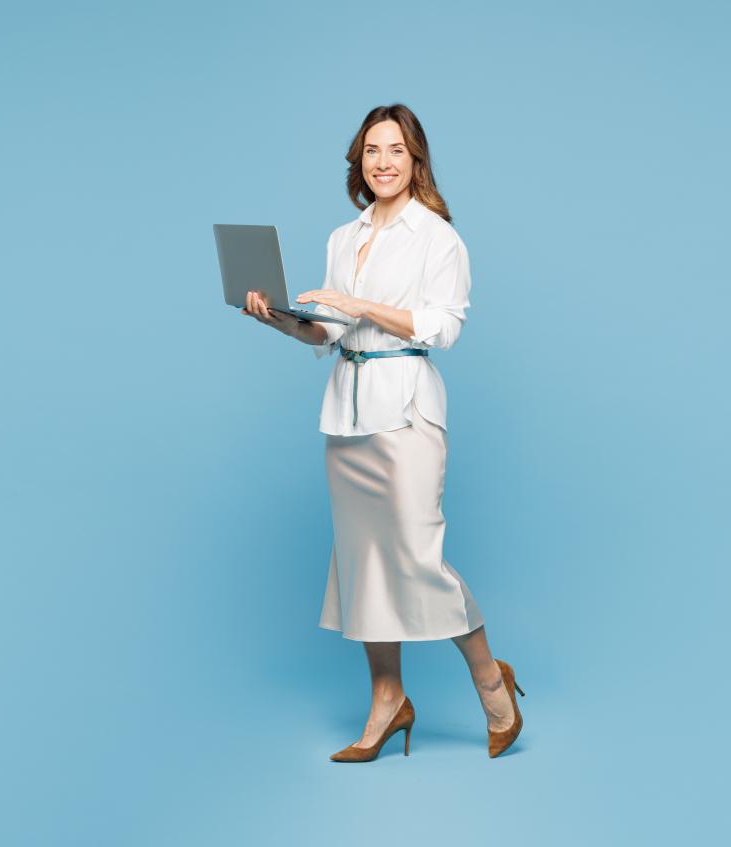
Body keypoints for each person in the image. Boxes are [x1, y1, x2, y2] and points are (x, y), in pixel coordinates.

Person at [241, 103, 525, 761]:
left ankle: (490, 676)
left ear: (415, 158)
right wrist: (276, 318)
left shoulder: (439, 238)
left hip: (407, 410)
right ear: (358, 161)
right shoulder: (345, 237)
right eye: (372, 150)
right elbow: (328, 330)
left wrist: (359, 303)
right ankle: (387, 700)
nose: (383, 162)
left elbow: (442, 327)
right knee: (364, 563)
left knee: (417, 557)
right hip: (347, 408)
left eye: (395, 149)